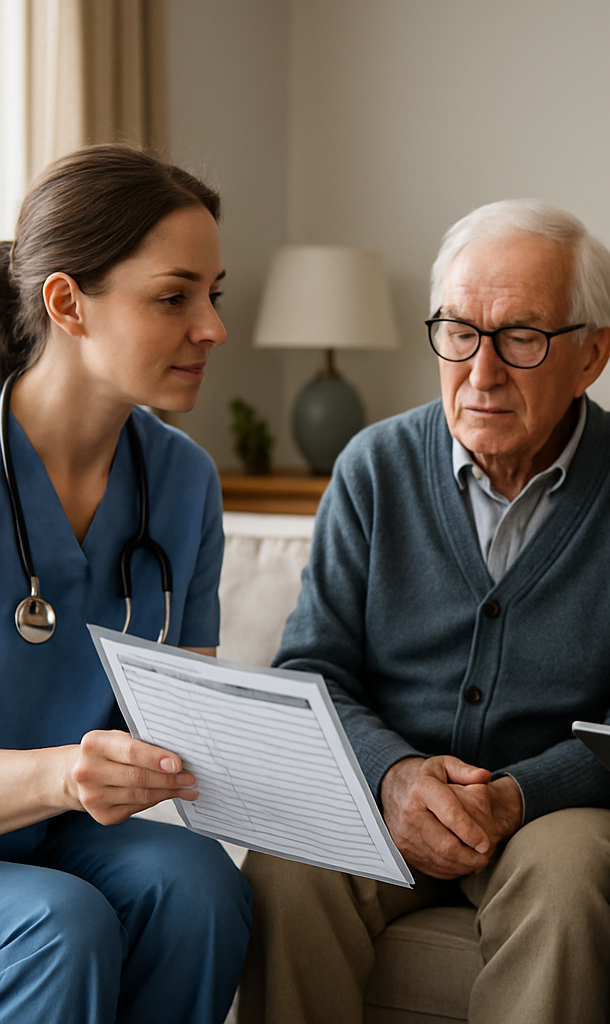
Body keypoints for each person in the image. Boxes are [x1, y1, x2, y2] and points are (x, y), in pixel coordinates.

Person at [239, 200, 610, 1024]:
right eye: (458, 331)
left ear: (592, 354)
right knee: (285, 872)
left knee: (564, 890)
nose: (481, 371)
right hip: (395, 797)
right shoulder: (373, 466)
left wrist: (515, 797)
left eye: (521, 337)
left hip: (559, 810)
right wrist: (393, 776)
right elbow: (312, 672)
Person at [0, 145, 252, 1023]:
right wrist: (63, 773)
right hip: (36, 832)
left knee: (200, 885)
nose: (213, 327)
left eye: (213, 294)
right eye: (173, 297)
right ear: (67, 303)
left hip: (62, 832)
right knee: (58, 924)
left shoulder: (183, 482)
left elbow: (190, 711)